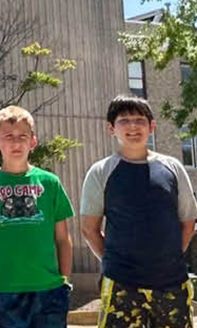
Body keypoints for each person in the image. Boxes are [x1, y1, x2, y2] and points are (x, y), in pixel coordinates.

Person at [81, 95, 197, 328]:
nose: (133, 126)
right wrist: (115, 262)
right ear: (111, 128)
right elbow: (89, 229)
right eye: (124, 120)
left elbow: (188, 224)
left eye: (139, 120)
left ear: (151, 127)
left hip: (172, 283)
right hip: (121, 285)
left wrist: (167, 258)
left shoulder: (172, 168)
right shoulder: (101, 171)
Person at [0, 105, 73, 328]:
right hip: (5, 292)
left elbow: (63, 239)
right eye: (8, 136)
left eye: (22, 136)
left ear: (33, 141)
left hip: (49, 290)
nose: (16, 143)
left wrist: (64, 282)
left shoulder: (50, 183)